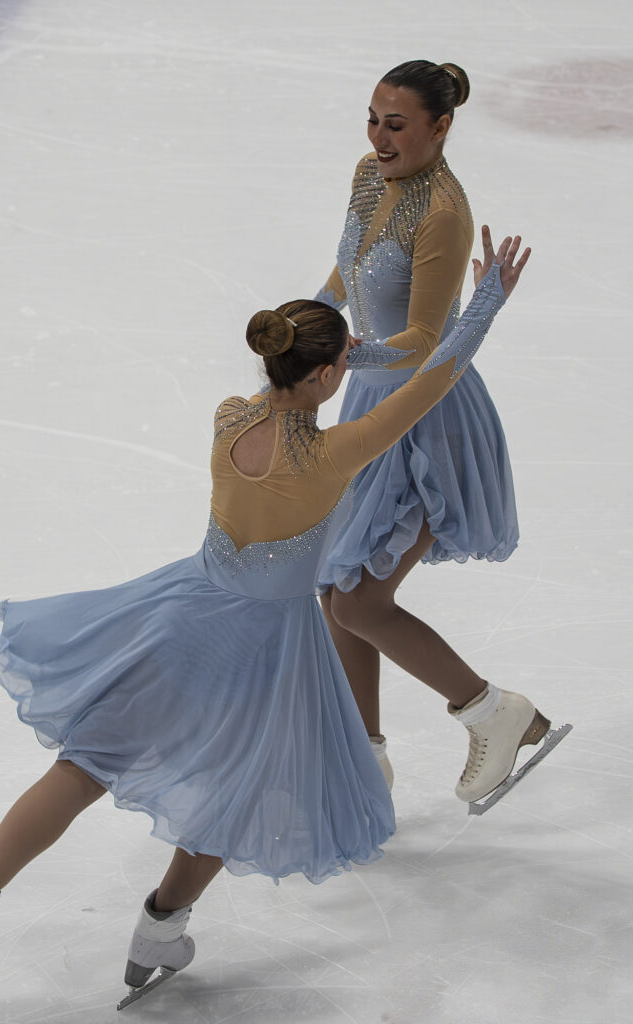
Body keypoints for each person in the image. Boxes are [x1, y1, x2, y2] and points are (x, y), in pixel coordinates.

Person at [0, 234, 527, 1003]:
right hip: (266, 647)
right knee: (238, 788)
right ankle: (163, 922)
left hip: (179, 615)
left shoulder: (230, 418)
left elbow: (295, 386)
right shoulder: (335, 454)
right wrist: (484, 302)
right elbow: (434, 379)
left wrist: (331, 360)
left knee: (85, 762)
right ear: (327, 374)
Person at [314, 60, 533, 799]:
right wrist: (311, 314)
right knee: (336, 584)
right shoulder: (369, 175)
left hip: (428, 421)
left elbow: (428, 340)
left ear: (441, 128)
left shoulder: (443, 212)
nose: (379, 137)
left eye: (397, 124)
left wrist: (347, 355)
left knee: (359, 600)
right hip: (372, 409)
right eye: (372, 118)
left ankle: (492, 712)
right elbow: (351, 266)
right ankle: (364, 760)